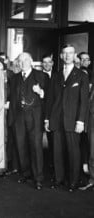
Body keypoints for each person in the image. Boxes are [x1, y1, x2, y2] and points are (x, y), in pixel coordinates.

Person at [45, 44, 89, 192]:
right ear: (62, 56)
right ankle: (59, 180)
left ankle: (73, 182)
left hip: (73, 121)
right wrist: (47, 119)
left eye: (70, 53)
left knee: (73, 153)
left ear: (74, 55)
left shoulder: (82, 75)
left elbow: (84, 101)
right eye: (65, 53)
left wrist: (81, 121)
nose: (68, 55)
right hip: (56, 120)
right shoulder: (56, 75)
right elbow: (50, 99)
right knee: (57, 152)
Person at [8, 52, 48, 190]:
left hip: (35, 117)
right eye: (20, 60)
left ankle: (38, 178)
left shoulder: (41, 76)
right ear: (18, 63)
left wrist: (41, 92)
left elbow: (49, 97)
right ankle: (26, 174)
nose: (23, 62)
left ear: (31, 61)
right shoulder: (14, 78)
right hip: (19, 117)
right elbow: (12, 98)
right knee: (21, 145)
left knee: (36, 147)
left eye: (26, 59)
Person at [41, 53, 55, 175]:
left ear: (52, 63)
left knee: (53, 140)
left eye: (49, 62)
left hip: (53, 111)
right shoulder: (38, 75)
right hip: (40, 111)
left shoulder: (58, 75)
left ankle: (52, 164)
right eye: (44, 62)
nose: (47, 64)